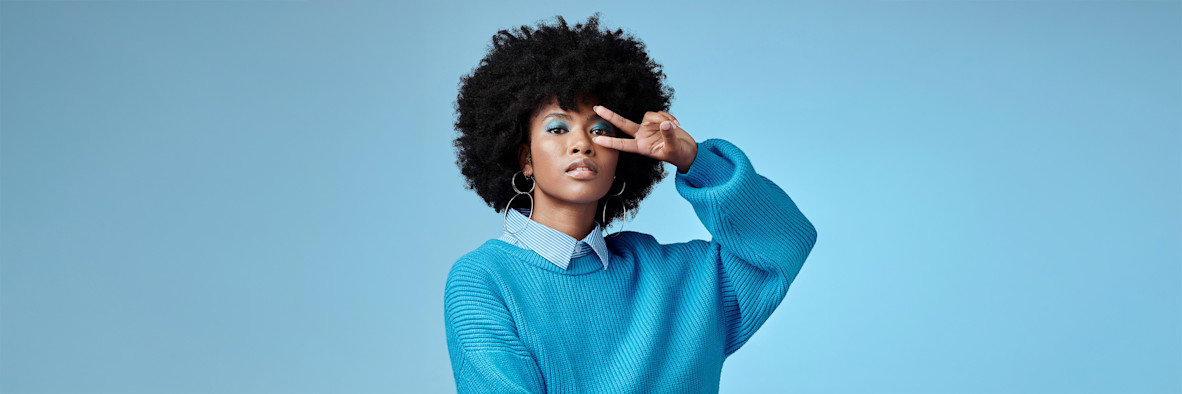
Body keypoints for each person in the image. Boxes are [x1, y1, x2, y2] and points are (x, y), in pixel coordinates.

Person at [445, 13, 818, 394]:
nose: (581, 143)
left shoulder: (681, 278)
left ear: (619, 158)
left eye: (600, 130)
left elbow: (785, 240)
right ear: (525, 159)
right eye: (558, 128)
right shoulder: (485, 279)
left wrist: (695, 161)